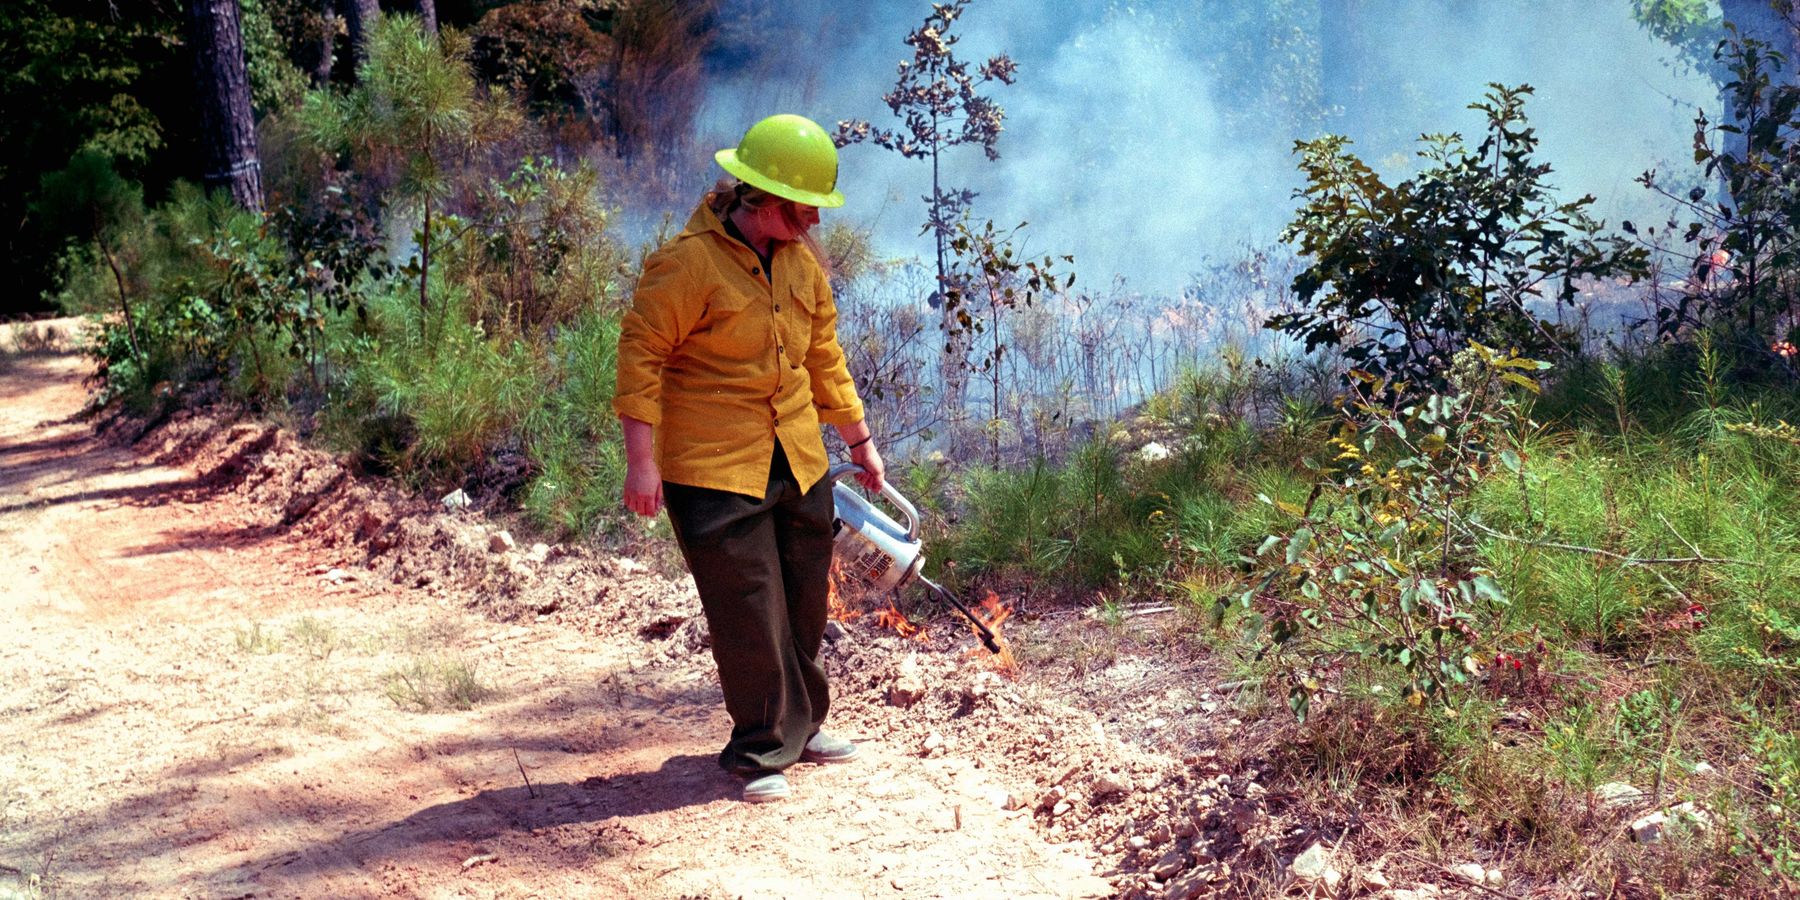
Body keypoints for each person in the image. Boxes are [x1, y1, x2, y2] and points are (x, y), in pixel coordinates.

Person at [613, 113, 886, 804]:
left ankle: (801, 723)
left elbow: (825, 358)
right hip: (712, 466)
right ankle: (758, 748)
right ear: (761, 198)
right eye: (804, 210)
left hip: (795, 455)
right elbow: (641, 358)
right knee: (748, 608)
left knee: (801, 602)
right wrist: (640, 462)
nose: (814, 224)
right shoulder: (687, 263)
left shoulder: (799, 265)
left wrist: (860, 443)